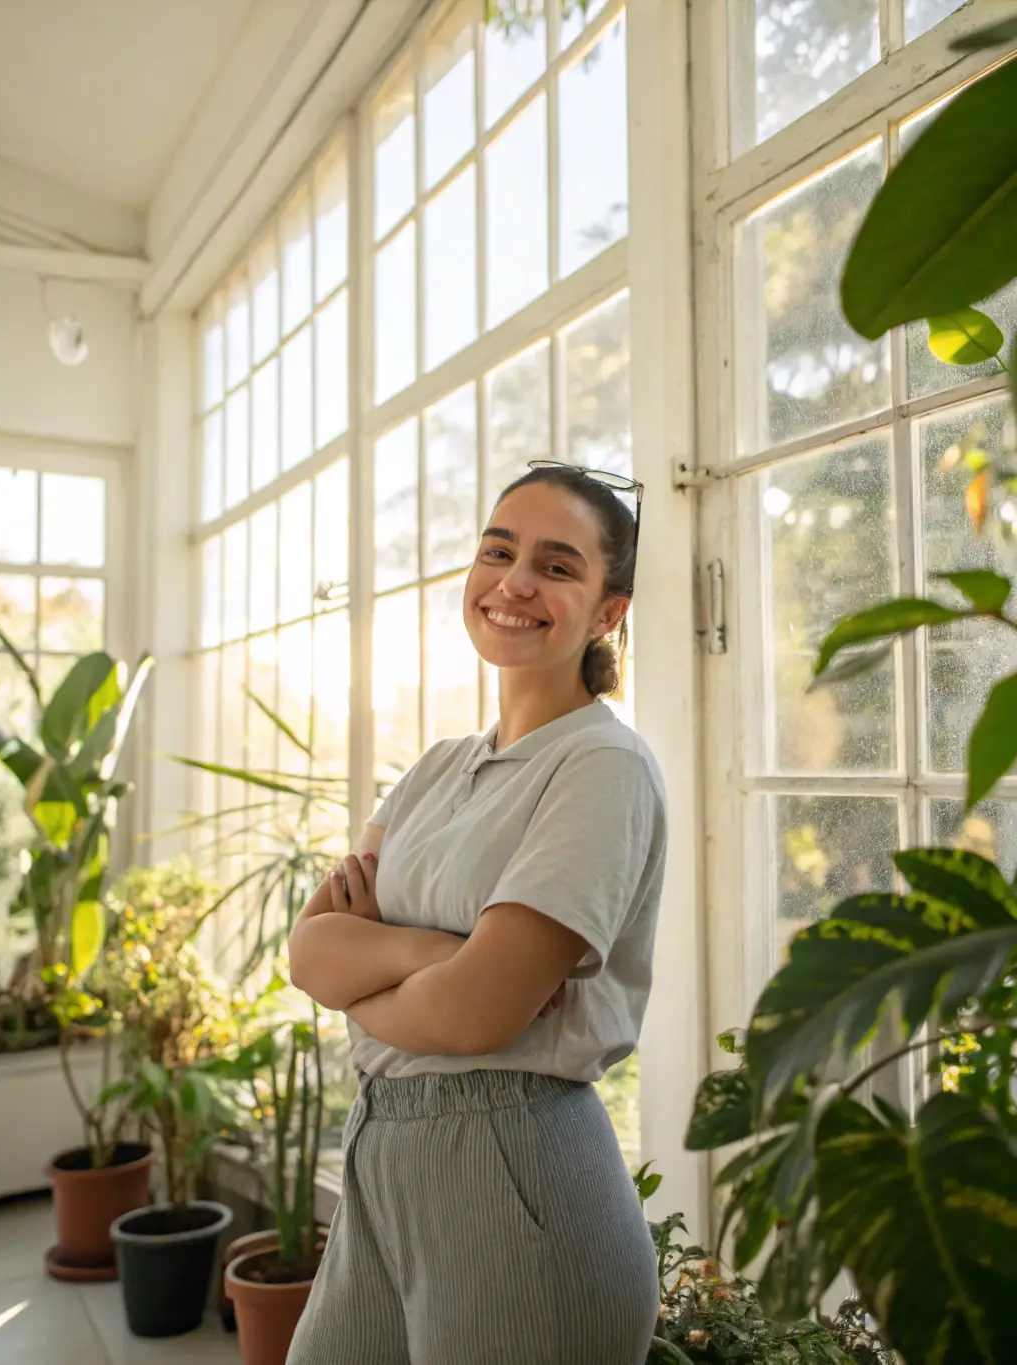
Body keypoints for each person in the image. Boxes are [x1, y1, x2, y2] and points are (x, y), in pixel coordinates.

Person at [286, 461, 667, 1365]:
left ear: (608, 611)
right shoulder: (436, 767)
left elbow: (475, 1012)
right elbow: (309, 955)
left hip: (520, 1182)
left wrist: (378, 970)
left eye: (558, 564)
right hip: (382, 1171)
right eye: (499, 549)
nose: (516, 580)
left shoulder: (602, 768)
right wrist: (441, 950)